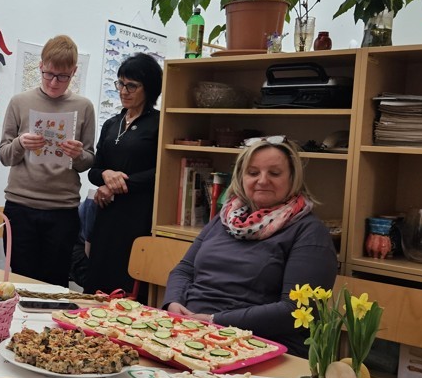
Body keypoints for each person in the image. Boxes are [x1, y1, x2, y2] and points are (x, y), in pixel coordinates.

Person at [162, 136, 338, 355]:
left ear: (293, 178)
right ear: (241, 177)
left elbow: (294, 310)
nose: (262, 180)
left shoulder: (310, 232)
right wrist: (173, 303)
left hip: (258, 344)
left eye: (274, 173)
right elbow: (184, 269)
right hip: (190, 330)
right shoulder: (224, 219)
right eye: (253, 173)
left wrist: (214, 320)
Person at [0, 34, 96, 287]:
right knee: (19, 281)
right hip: (21, 205)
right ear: (40, 66)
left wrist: (77, 155)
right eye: (49, 74)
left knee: (55, 283)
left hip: (62, 209)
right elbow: (4, 155)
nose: (54, 82)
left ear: (74, 72)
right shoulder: (19, 102)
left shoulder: (84, 107)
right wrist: (21, 143)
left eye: (63, 77)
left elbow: (88, 161)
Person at [83, 53, 162, 301]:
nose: (123, 91)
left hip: (137, 215)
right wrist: (106, 175)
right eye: (120, 84)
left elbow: (161, 172)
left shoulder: (159, 123)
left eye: (132, 86)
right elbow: (94, 170)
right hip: (106, 214)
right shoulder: (112, 123)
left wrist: (118, 185)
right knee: (97, 286)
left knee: (127, 285)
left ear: (149, 88)